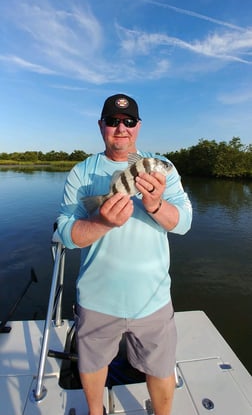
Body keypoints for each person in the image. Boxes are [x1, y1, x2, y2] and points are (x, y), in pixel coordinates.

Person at [57, 93, 192, 415]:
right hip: (97, 298)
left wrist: (156, 204)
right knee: (92, 364)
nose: (121, 128)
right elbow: (66, 234)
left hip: (153, 298)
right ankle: (95, 411)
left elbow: (184, 223)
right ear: (101, 125)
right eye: (113, 121)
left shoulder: (163, 168)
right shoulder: (81, 172)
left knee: (160, 368)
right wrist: (101, 221)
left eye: (129, 122)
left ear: (138, 126)